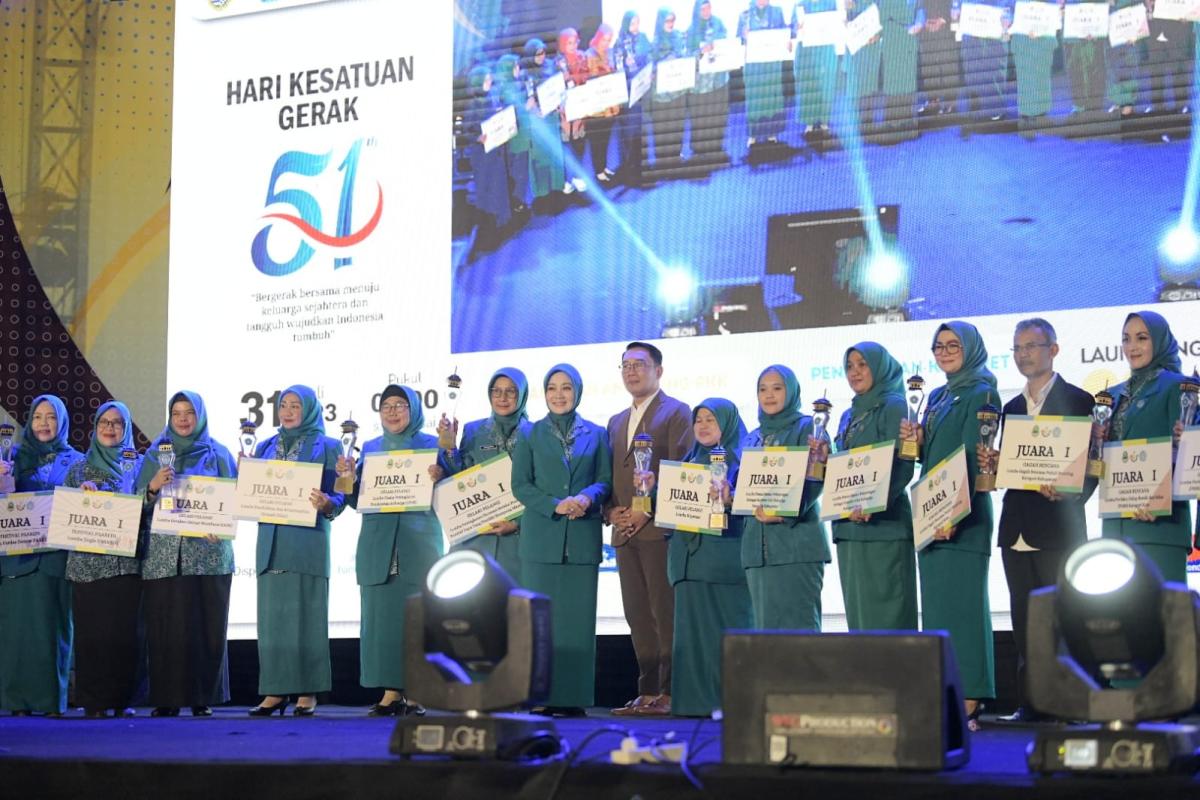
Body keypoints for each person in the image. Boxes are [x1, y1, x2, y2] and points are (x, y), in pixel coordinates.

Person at [978, 319, 1095, 722]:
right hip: (1016, 529)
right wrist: (995, 465)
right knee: (1024, 621)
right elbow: (1014, 469)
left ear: (1053, 350)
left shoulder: (1079, 400)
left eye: (1031, 346)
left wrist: (1071, 490)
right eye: (1017, 348)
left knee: (1065, 618)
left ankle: (1071, 703)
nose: (1024, 354)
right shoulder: (1010, 408)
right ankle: (1031, 703)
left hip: (1058, 528)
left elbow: (1092, 466)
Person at [900, 321, 1000, 730]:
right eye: (938, 346)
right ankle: (947, 693)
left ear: (971, 347)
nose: (944, 352)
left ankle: (971, 697)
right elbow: (934, 454)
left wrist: (955, 514)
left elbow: (976, 457)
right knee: (939, 610)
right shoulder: (939, 395)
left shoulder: (983, 391)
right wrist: (917, 440)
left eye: (953, 345)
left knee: (965, 609)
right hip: (932, 512)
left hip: (964, 515)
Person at [511, 365, 612, 716]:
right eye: (552, 387)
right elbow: (520, 485)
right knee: (540, 625)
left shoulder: (597, 433)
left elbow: (605, 480)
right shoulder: (529, 433)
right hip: (541, 540)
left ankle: (573, 697)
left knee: (577, 623)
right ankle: (539, 697)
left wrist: (586, 498)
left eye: (566, 387)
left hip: (582, 540)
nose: (558, 394)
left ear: (577, 392)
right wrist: (555, 505)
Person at [341, 385, 444, 717]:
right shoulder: (370, 448)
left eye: (400, 405)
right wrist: (347, 480)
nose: (393, 411)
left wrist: (441, 477)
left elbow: (451, 493)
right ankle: (390, 692)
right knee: (382, 620)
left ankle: (416, 693)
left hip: (418, 542)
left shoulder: (432, 446)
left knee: (418, 618)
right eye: (386, 405)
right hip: (378, 544)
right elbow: (357, 500)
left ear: (414, 409)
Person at [645, 398, 753, 717]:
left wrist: (731, 497)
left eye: (711, 419)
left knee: (727, 635)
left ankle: (732, 703)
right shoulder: (688, 462)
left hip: (723, 563)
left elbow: (755, 505)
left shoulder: (743, 460)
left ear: (728, 423)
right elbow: (672, 508)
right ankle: (694, 704)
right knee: (691, 638)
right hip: (688, 563)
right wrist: (652, 490)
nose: (703, 426)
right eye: (699, 420)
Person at [136, 391, 237, 717]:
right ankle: (167, 698)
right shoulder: (155, 454)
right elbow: (135, 505)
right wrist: (153, 487)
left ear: (200, 416)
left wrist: (221, 523)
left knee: (205, 628)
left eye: (189, 412)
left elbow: (236, 502)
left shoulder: (219, 454)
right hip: (164, 556)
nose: (182, 419)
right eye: (176, 413)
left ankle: (201, 697)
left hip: (208, 555)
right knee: (166, 629)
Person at [605, 342, 693, 717]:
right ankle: (648, 689)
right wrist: (611, 511)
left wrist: (647, 509)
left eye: (639, 364)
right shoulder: (615, 421)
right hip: (624, 532)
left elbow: (682, 469)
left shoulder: (677, 412)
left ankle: (671, 691)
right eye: (626, 365)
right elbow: (608, 475)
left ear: (659, 370)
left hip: (658, 530)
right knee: (637, 614)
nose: (631, 371)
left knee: (664, 612)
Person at [249, 385, 344, 717]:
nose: (287, 411)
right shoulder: (264, 446)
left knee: (307, 619)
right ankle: (275, 691)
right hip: (271, 543)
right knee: (272, 620)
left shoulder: (329, 446)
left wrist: (329, 503)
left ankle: (307, 692)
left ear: (310, 410)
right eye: (283, 405)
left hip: (307, 543)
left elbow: (341, 493)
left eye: (295, 406)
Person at [0, 395, 84, 715]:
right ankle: (15, 701)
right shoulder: (11, 456)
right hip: (16, 559)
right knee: (15, 633)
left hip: (55, 559)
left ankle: (51, 700)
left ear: (62, 422)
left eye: (51, 417)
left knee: (53, 632)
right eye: (38, 416)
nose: (44, 423)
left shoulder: (77, 461)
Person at [64, 401, 144, 718]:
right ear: (95, 428)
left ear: (126, 428)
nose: (110, 428)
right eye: (104, 423)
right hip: (89, 566)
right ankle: (94, 700)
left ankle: (121, 699)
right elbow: (65, 514)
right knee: (91, 634)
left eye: (117, 423)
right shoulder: (77, 469)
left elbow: (150, 507)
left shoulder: (139, 465)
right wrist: (80, 497)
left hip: (126, 564)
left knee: (124, 635)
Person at [832, 344, 917, 631]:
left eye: (863, 364)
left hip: (884, 528)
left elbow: (904, 463)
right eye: (849, 366)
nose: (855, 372)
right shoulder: (847, 415)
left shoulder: (895, 406)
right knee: (860, 624)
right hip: (849, 530)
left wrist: (874, 503)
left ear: (880, 367)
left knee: (890, 624)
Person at [1102, 311, 1193, 583]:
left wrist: (1158, 500)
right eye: (1126, 339)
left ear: (1160, 340)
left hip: (1160, 526)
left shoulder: (1179, 387)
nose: (1132, 346)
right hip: (1116, 528)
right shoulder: (1110, 396)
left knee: (1167, 609)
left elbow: (1187, 455)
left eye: (1142, 338)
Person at [741, 365, 829, 630]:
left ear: (791, 392)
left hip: (796, 546)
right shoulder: (752, 438)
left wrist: (785, 512)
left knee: (799, 633)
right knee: (766, 637)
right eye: (762, 389)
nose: (769, 395)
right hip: (756, 552)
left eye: (777, 388)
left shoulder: (809, 427)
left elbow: (818, 477)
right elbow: (744, 490)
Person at [442, 368, 533, 583]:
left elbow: (542, 486)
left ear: (522, 395)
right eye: (496, 391)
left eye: (511, 391)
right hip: (475, 537)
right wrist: (450, 448)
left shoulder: (535, 432)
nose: (502, 398)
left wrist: (518, 523)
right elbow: (459, 478)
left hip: (517, 540)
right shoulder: (474, 430)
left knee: (515, 600)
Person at [464, 63, 513, 249]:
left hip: (497, 152)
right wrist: (478, 138)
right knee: (488, 191)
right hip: (482, 157)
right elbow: (466, 132)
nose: (490, 81)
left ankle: (503, 224)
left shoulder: (492, 96)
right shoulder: (472, 105)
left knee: (500, 188)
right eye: (486, 79)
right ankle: (490, 231)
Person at [521, 38, 568, 207]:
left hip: (551, 117)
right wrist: (535, 111)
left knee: (555, 154)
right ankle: (542, 196)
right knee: (540, 158)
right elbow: (526, 99)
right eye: (537, 54)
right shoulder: (525, 73)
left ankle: (557, 190)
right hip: (536, 121)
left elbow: (558, 87)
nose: (542, 56)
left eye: (543, 52)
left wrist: (560, 103)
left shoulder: (550, 65)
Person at [688, 0, 733, 165]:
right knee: (702, 117)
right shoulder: (692, 29)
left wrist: (718, 44)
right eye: (703, 9)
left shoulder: (718, 22)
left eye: (708, 7)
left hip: (719, 79)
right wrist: (701, 51)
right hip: (702, 84)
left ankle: (717, 148)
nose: (707, 11)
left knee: (719, 114)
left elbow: (726, 40)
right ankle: (700, 151)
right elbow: (687, 54)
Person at [738, 0, 789, 146]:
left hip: (772, 65)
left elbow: (785, 32)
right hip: (754, 67)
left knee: (772, 100)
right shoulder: (744, 15)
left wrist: (787, 40)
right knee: (754, 102)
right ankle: (753, 134)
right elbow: (738, 40)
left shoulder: (777, 11)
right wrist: (743, 35)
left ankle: (772, 132)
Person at [957, 0, 1012, 127]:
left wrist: (1010, 17)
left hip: (997, 29)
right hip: (971, 30)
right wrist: (957, 9)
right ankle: (975, 108)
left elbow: (1011, 5)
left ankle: (996, 110)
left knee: (996, 69)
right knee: (971, 68)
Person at [792, 0, 841, 139]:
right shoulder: (799, 5)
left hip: (825, 49)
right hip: (806, 51)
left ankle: (824, 121)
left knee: (826, 86)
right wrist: (796, 27)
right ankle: (809, 122)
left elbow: (837, 24)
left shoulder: (830, 3)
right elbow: (792, 29)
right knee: (808, 86)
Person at [613, 12, 652, 185]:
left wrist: (650, 71)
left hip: (642, 89)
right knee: (629, 132)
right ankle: (630, 170)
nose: (636, 26)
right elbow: (617, 68)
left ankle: (641, 166)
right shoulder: (620, 43)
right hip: (628, 92)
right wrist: (624, 65)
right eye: (633, 23)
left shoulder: (643, 37)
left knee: (641, 130)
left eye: (638, 22)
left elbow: (650, 56)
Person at [1009, 0, 1058, 136]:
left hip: (1044, 34)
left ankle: (1042, 114)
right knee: (1025, 77)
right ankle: (1026, 117)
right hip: (1023, 36)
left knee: (1042, 75)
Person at [650, 8, 690, 172]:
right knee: (662, 126)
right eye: (667, 20)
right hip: (661, 94)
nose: (671, 24)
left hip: (678, 89)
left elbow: (686, 55)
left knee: (677, 124)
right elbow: (649, 66)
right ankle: (662, 160)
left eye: (673, 20)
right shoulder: (654, 42)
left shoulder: (679, 36)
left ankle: (676, 155)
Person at [879, 0, 925, 142]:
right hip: (891, 39)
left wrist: (920, 23)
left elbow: (920, 8)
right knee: (892, 82)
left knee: (908, 81)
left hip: (909, 40)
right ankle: (892, 124)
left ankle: (908, 123)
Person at [494, 54, 531, 213]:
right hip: (516, 137)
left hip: (519, 135)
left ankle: (516, 200)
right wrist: (527, 106)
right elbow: (512, 112)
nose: (518, 69)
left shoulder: (512, 84)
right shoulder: (506, 88)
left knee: (518, 169)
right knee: (518, 170)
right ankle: (517, 202)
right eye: (515, 66)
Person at [555, 28, 591, 193]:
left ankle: (577, 176)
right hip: (564, 110)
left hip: (580, 105)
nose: (573, 45)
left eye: (575, 41)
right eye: (569, 43)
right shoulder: (557, 62)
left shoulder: (582, 57)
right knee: (564, 146)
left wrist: (575, 78)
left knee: (579, 143)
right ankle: (564, 179)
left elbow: (587, 76)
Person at [586, 23, 621, 183]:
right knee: (597, 141)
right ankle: (598, 170)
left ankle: (604, 166)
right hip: (596, 107)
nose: (606, 43)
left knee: (606, 138)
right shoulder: (590, 54)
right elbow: (592, 78)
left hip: (609, 103)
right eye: (604, 40)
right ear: (598, 38)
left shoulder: (609, 53)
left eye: (609, 40)